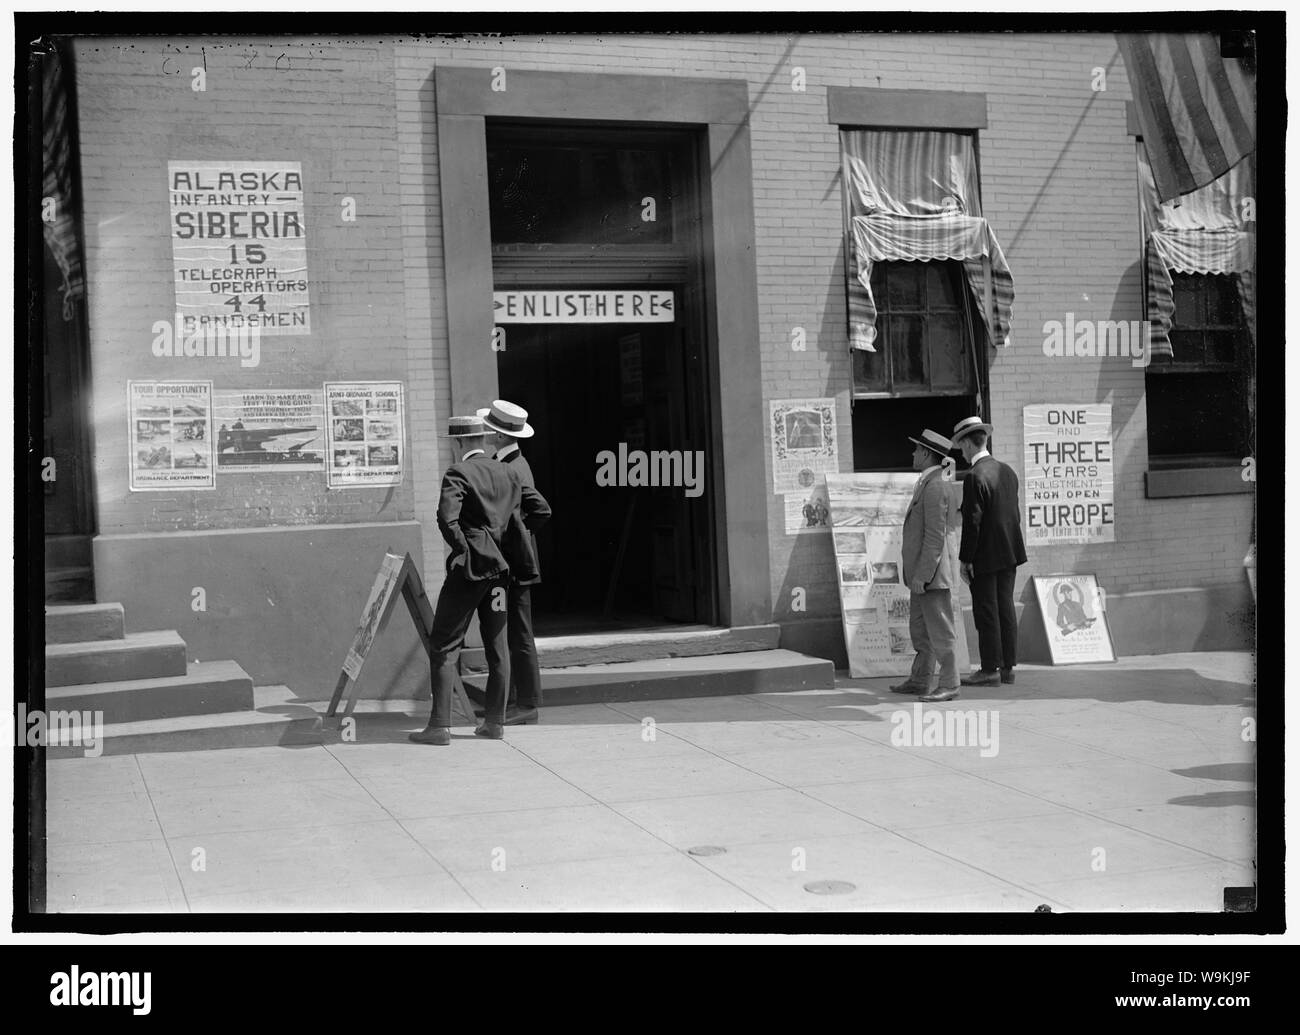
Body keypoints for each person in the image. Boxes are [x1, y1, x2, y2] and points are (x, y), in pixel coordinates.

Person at [409, 415, 551, 746]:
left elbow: (447, 518)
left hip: (470, 572)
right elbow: (541, 510)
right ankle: (494, 723)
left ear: (458, 443)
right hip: (501, 573)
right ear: (483, 440)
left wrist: (463, 548)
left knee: (444, 643)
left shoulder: (458, 472)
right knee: (498, 647)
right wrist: (510, 537)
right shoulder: (508, 472)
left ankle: (439, 726)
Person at [475, 399, 544, 726]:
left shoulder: (514, 468)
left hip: (516, 563)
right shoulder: (507, 462)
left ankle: (527, 703)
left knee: (519, 633)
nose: (487, 432)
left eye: (491, 429)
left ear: (501, 437)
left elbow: (539, 511)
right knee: (511, 631)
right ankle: (512, 700)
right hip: (511, 561)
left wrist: (515, 536)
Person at [952, 416, 1028, 687]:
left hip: (985, 554)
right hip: (1010, 551)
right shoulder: (1007, 470)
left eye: (960, 446)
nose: (961, 452)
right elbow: (1013, 514)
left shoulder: (974, 476)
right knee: (1005, 607)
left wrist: (966, 559)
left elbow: (973, 523)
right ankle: (1008, 667)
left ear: (967, 444)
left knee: (986, 610)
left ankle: (988, 669)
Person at [890, 429, 963, 702]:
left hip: (931, 576)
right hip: (923, 576)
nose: (912, 454)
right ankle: (920, 679)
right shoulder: (927, 483)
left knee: (941, 632)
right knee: (920, 631)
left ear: (925, 453)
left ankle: (950, 683)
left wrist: (922, 575)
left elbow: (934, 536)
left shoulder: (935, 487)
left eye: (916, 450)